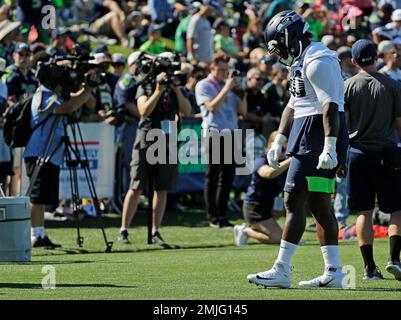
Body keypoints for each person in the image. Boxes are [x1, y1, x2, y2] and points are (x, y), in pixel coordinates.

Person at [247, 10, 349, 289]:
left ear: (290, 37)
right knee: (318, 204)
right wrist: (280, 138)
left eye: (279, 44)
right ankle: (334, 272)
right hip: (310, 133)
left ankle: (282, 269)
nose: (278, 51)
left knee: (293, 200)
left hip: (319, 135)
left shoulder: (318, 60)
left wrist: (330, 147)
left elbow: (330, 106)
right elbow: (293, 105)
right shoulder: (303, 60)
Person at [118, 52, 191, 245]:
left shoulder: (175, 85)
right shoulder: (147, 83)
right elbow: (143, 111)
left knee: (162, 188)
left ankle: (155, 230)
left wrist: (175, 89)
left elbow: (187, 110)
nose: (169, 73)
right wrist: (158, 90)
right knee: (136, 185)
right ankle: (124, 229)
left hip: (167, 139)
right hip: (147, 136)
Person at [344, 39, 401, 280]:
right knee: (397, 209)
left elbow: (342, 123)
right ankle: (394, 259)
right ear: (377, 56)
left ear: (355, 61)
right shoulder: (393, 84)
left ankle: (369, 268)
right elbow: (399, 124)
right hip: (387, 152)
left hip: (356, 154)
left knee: (363, 212)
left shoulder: (347, 86)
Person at [24, 65, 97, 248]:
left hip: (51, 152)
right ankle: (35, 235)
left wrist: (86, 87)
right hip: (39, 151)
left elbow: (79, 101)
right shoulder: (43, 95)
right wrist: (86, 89)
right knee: (37, 197)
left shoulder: (53, 94)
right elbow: (68, 107)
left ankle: (40, 234)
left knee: (43, 197)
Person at [195, 53, 247, 228]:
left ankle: (222, 215)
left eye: (226, 70)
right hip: (214, 132)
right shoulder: (204, 85)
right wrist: (227, 87)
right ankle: (212, 216)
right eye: (221, 70)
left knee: (228, 177)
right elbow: (212, 107)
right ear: (212, 68)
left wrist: (241, 93)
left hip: (232, 132)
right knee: (213, 175)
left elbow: (243, 111)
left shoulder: (230, 86)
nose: (224, 73)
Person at [234, 131, 289, 246]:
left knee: (294, 206)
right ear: (271, 146)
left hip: (269, 205)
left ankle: (290, 237)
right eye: (281, 149)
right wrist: (291, 160)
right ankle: (245, 231)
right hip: (255, 208)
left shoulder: (283, 162)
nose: (283, 154)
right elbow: (268, 173)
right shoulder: (261, 159)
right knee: (277, 239)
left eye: (286, 150)